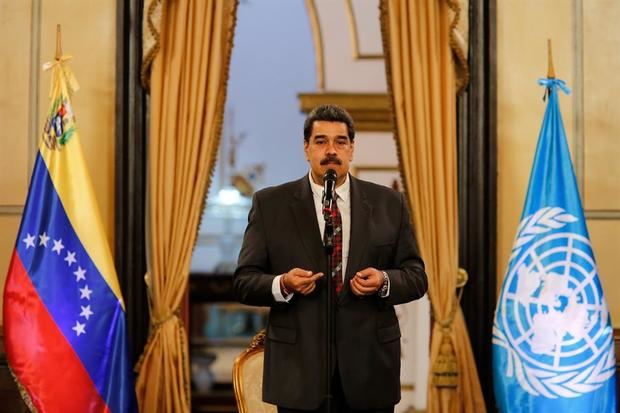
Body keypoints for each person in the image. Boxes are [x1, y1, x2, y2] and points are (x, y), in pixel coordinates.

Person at [233, 104, 427, 413]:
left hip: (369, 370)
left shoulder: (390, 204)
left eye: (340, 142)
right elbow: (244, 281)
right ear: (306, 148)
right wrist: (283, 284)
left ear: (351, 149)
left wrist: (383, 280)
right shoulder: (271, 205)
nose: (331, 150)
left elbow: (416, 276)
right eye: (321, 141)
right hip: (299, 373)